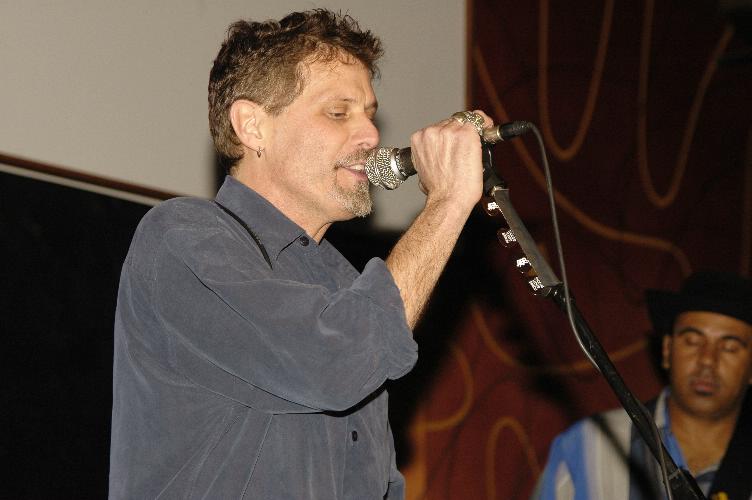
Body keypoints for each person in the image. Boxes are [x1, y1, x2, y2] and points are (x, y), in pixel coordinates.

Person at [108, 9, 492, 499]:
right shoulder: (182, 238)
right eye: (338, 113)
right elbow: (335, 363)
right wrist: (448, 203)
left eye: (369, 114)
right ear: (252, 126)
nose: (371, 136)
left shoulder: (345, 286)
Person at [534, 272, 752, 500]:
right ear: (667, 349)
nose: (707, 360)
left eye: (730, 348)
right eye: (692, 341)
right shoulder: (588, 443)